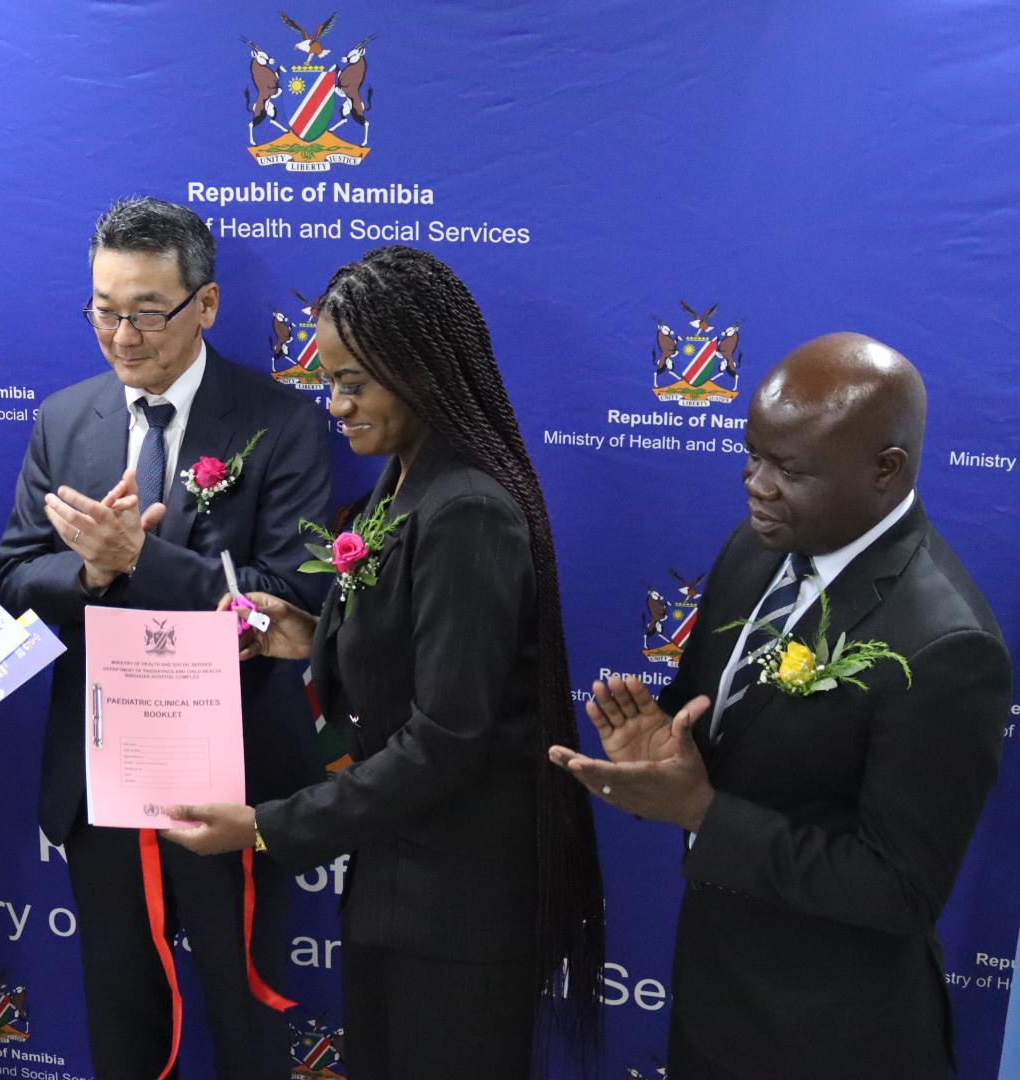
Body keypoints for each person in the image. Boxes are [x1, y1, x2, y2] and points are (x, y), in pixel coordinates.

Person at [165, 247, 605, 1078]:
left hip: (459, 910)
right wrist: (308, 634)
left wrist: (264, 826)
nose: (335, 405)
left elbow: (446, 737)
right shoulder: (404, 482)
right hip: (399, 885)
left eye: (354, 383)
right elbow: (409, 644)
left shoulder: (467, 508)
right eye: (328, 381)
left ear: (421, 373)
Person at [550, 333, 1009, 1079]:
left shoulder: (947, 647)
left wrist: (703, 812)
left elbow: (899, 890)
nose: (757, 486)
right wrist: (663, 750)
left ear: (886, 470)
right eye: (753, 456)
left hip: (834, 1039)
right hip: (712, 1000)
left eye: (789, 470)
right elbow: (715, 729)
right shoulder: (757, 546)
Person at [0, 196, 332, 1078]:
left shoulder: (282, 423)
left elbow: (293, 602)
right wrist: (92, 576)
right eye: (104, 310)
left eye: (147, 312)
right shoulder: (65, 419)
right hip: (104, 774)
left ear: (205, 304)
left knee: (245, 1014)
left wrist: (141, 557)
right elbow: (13, 579)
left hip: (235, 776)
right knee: (120, 1015)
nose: (122, 336)